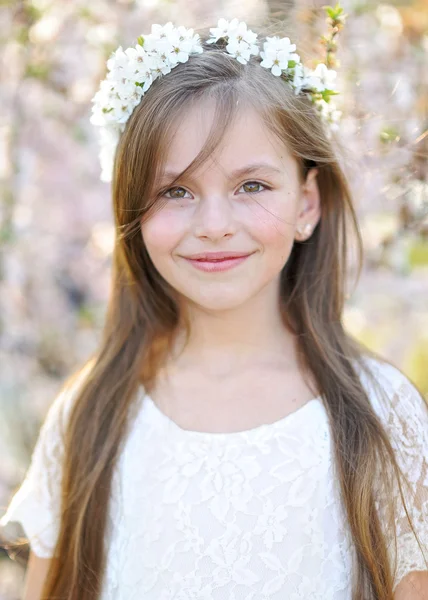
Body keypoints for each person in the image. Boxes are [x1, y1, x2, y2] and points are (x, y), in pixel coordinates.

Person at [1, 13, 428, 600]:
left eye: (251, 186)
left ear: (307, 203)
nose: (214, 226)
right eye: (175, 191)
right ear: (133, 210)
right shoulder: (92, 414)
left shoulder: (382, 417)